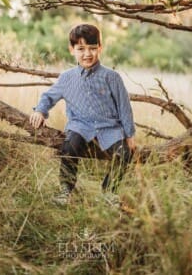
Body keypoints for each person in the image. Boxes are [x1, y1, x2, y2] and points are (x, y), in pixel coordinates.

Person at [30, 23, 136, 206]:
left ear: (100, 48)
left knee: (124, 154)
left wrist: (129, 134)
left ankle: (109, 192)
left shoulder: (112, 77)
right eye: (81, 49)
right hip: (79, 126)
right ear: (72, 50)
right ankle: (66, 190)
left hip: (109, 128)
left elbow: (124, 106)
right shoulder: (66, 78)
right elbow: (49, 97)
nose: (87, 54)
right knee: (69, 148)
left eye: (92, 48)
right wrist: (40, 110)